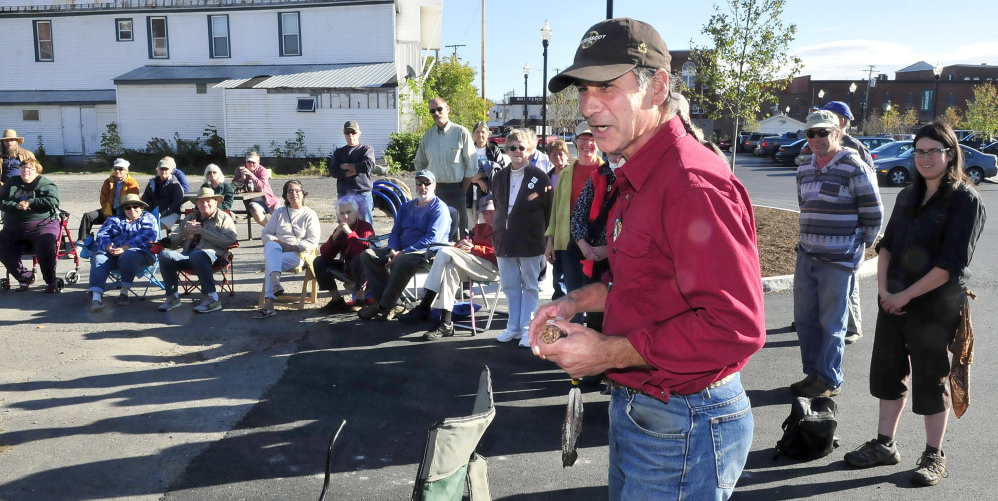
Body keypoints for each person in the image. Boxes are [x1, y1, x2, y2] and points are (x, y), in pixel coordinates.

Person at [529, 18, 765, 500]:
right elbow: (644, 282)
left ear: (657, 87)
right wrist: (574, 302)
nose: (589, 107)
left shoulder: (690, 184)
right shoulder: (641, 173)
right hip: (651, 410)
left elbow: (735, 327)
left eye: (608, 88)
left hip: (685, 420)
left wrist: (606, 352)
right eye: (583, 91)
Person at [843, 122, 986, 487]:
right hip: (893, 302)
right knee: (887, 375)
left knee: (930, 379)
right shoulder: (908, 195)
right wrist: (885, 291)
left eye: (932, 151)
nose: (924, 158)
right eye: (918, 151)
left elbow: (950, 265)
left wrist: (904, 295)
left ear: (950, 154)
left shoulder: (965, 201)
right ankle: (884, 444)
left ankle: (933, 454)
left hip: (935, 307)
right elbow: (887, 246)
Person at [791, 109, 883, 399]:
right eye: (811, 133)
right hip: (807, 256)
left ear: (837, 132)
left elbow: (874, 214)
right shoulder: (804, 168)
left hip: (838, 261)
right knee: (805, 320)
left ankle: (829, 379)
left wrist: (855, 251)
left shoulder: (853, 166)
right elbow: (804, 207)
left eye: (822, 132)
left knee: (832, 324)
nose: (816, 138)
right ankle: (813, 373)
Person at [399, 195, 501, 341]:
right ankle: (446, 323)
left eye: (491, 212)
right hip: (473, 265)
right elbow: (465, 241)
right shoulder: (480, 228)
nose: (488, 216)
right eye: (485, 213)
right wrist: (461, 244)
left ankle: (424, 305)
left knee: (444, 252)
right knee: (449, 268)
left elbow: (500, 254)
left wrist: (474, 249)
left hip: (493, 269)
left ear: (499, 211)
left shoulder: (504, 228)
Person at [357, 170, 451, 321]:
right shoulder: (406, 207)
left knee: (402, 260)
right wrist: (392, 249)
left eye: (427, 183)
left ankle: (382, 306)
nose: (423, 187)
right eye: (419, 183)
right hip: (401, 250)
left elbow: (431, 239)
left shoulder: (439, 208)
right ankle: (394, 304)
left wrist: (403, 253)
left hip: (425, 252)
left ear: (434, 185)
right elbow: (395, 232)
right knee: (368, 255)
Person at [491, 129, 553, 348]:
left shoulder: (540, 177)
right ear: (506, 150)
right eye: (512, 147)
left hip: (530, 240)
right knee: (509, 285)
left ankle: (528, 329)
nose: (517, 151)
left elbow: (548, 210)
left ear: (530, 150)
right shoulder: (498, 177)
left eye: (521, 147)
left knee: (530, 285)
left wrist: (547, 239)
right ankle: (513, 327)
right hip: (504, 240)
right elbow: (498, 207)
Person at [821, 100, 874, 345]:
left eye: (829, 116)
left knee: (847, 282)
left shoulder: (854, 149)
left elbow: (868, 196)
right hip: (827, 230)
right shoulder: (826, 142)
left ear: (842, 121)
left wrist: (863, 236)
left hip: (849, 233)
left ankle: (853, 327)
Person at [545, 123, 603, 305]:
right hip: (568, 240)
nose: (588, 144)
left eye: (592, 139)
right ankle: (573, 333)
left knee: (595, 293)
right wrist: (550, 241)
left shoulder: (607, 171)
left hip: (598, 241)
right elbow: (556, 211)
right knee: (572, 294)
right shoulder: (566, 173)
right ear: (575, 141)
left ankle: (591, 333)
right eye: (584, 139)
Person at [157, 186, 238, 314]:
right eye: (201, 201)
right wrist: (183, 234)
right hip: (188, 255)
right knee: (165, 255)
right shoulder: (190, 218)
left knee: (198, 254)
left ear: (215, 202)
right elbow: (171, 242)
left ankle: (212, 299)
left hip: (215, 256)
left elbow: (230, 240)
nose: (205, 204)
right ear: (197, 203)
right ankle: (173, 297)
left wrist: (203, 232)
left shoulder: (224, 218)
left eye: (208, 201)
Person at [255, 180, 321, 319]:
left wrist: (294, 247)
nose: (294, 193)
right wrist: (280, 243)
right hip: (277, 250)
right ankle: (275, 287)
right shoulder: (279, 212)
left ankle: (269, 303)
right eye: (290, 191)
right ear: (285, 195)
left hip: (298, 254)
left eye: (297, 190)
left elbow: (313, 241)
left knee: (271, 262)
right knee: (271, 246)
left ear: (303, 193)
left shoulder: (309, 214)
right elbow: (265, 234)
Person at [413, 97, 478, 238]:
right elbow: (420, 164)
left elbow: (471, 165)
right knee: (434, 230)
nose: (436, 113)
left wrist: (462, 189)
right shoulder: (427, 137)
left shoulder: (461, 133)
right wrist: (426, 185)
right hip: (434, 191)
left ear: (447, 109)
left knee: (458, 233)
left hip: (457, 190)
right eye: (432, 111)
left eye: (439, 109)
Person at [86, 193, 158, 311]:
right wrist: (108, 247)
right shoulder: (114, 219)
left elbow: (148, 236)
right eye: (128, 207)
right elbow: (102, 235)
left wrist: (125, 247)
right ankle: (96, 299)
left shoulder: (148, 218)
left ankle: (124, 292)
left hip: (139, 254)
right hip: (113, 253)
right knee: (99, 257)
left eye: (135, 206)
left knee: (130, 255)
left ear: (141, 208)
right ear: (123, 209)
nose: (132, 210)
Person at [0, 158, 62, 293]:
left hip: (42, 224)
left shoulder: (46, 184)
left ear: (37, 171)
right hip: (14, 226)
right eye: (23, 168)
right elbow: (1, 201)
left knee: (45, 243)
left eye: (29, 168)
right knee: (2, 246)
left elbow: (53, 201)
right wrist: (16, 205)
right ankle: (25, 277)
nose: (25, 171)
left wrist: (30, 202)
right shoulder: (12, 183)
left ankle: (50, 281)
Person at [313, 194, 375, 312]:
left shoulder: (365, 226)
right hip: (347, 266)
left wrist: (349, 233)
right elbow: (326, 254)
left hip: (364, 269)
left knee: (360, 259)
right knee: (319, 262)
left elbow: (361, 250)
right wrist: (334, 237)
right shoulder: (339, 228)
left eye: (349, 212)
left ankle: (360, 300)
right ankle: (336, 300)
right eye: (341, 213)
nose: (345, 216)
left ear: (356, 213)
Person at [77, 158, 141, 242]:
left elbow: (131, 201)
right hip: (109, 210)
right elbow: (104, 200)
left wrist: (124, 214)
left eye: (121, 169)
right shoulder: (108, 182)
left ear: (127, 170)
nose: (117, 171)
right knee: (88, 216)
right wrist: (108, 215)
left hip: (124, 211)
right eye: (115, 169)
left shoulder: (132, 183)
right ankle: (81, 242)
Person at [329, 120, 376, 225]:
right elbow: (334, 171)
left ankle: (366, 242)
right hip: (344, 194)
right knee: (344, 225)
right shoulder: (338, 152)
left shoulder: (366, 149)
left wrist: (345, 166)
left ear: (359, 133)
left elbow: (368, 165)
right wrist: (355, 169)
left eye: (353, 132)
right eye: (347, 132)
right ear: (344, 134)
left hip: (362, 193)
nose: (350, 135)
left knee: (365, 224)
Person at [466, 121, 508, 221]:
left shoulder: (494, 150)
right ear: (473, 134)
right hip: (469, 194)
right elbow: (462, 169)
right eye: (477, 132)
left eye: (483, 132)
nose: (480, 135)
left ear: (488, 134)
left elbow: (499, 170)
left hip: (488, 194)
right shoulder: (467, 150)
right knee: (471, 228)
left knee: (487, 226)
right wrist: (476, 180)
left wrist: (480, 175)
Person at [233, 151, 279, 227]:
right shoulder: (240, 170)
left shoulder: (262, 170)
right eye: (249, 162)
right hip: (253, 201)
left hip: (269, 200)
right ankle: (270, 229)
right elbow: (233, 187)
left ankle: (286, 232)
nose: (251, 164)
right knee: (256, 211)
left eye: (253, 162)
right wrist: (242, 179)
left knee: (281, 215)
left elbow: (262, 188)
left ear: (258, 162)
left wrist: (251, 175)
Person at [142, 157, 185, 231]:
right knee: (141, 225)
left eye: (166, 169)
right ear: (157, 170)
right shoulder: (152, 183)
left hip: (172, 214)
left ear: (171, 170)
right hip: (153, 213)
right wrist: (151, 212)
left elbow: (176, 203)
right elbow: (146, 198)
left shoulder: (175, 184)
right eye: (161, 169)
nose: (163, 171)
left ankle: (157, 242)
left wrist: (161, 214)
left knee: (156, 227)